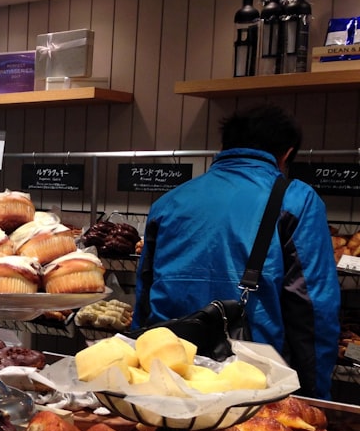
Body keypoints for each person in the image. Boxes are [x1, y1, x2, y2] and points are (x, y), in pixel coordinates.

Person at [132, 103, 340, 399]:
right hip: (252, 387)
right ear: (287, 154)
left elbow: (144, 296)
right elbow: (313, 311)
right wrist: (314, 396)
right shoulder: (296, 200)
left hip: (167, 381)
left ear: (225, 146)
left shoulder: (168, 202)